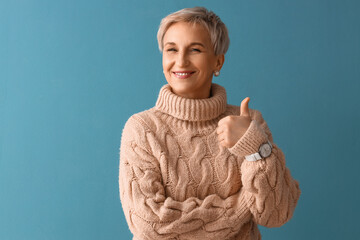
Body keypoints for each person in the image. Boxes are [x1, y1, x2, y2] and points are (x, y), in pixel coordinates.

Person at [119, 7, 301, 240]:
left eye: (195, 49)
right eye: (171, 49)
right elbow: (150, 223)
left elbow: (276, 215)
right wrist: (244, 206)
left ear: (218, 61)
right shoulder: (142, 129)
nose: (181, 61)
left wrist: (255, 149)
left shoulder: (249, 123)